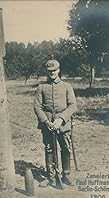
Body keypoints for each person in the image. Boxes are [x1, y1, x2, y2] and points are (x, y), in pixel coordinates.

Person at [34, 59, 77, 188]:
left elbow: (72, 105)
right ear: (46, 72)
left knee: (65, 148)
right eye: (49, 71)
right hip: (47, 125)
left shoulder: (66, 86)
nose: (52, 73)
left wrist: (61, 119)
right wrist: (46, 122)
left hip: (63, 125)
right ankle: (50, 176)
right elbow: (37, 107)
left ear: (58, 70)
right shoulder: (41, 87)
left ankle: (66, 174)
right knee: (49, 149)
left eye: (54, 70)